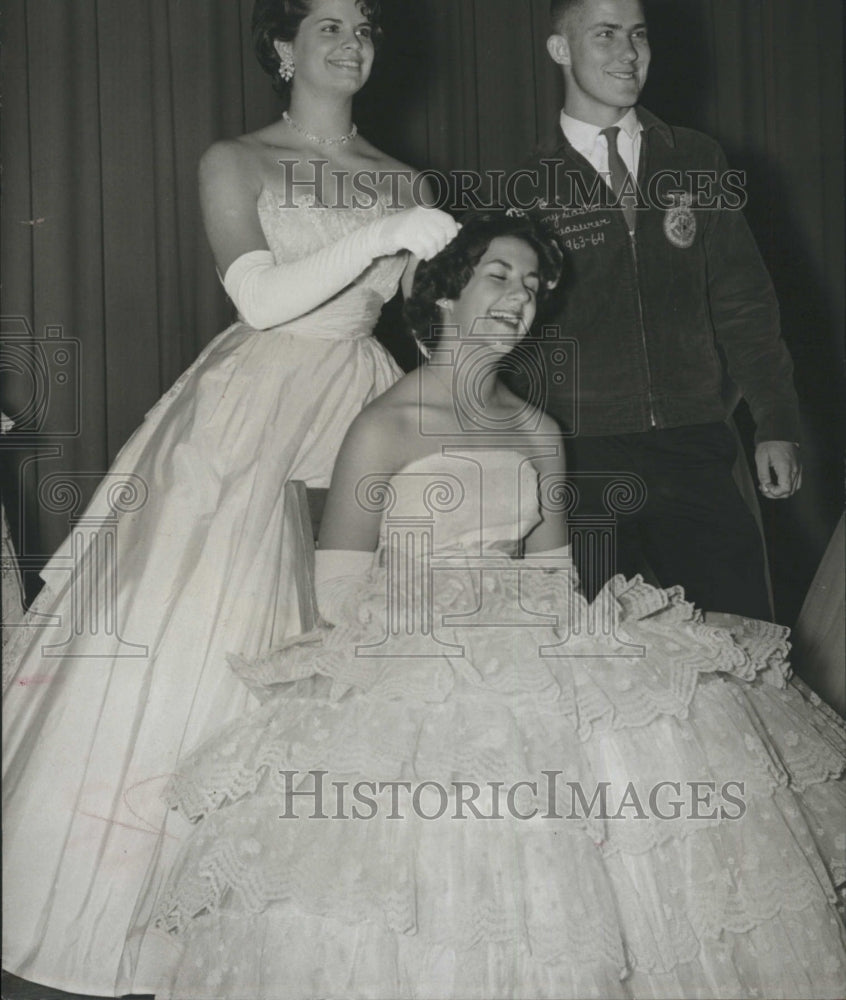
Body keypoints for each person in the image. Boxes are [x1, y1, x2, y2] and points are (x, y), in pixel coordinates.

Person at [148, 213, 845, 1000]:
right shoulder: (386, 425)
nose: (521, 297)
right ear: (445, 295)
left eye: (535, 285)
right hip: (414, 651)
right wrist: (446, 616)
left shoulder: (539, 431)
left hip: (530, 643)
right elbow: (340, 589)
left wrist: (544, 630)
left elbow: (552, 575)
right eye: (500, 277)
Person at [1, 1, 457, 994]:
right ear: (283, 48)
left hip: (363, 400)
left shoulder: (406, 177)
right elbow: (260, 297)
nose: (350, 42)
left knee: (357, 637)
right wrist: (389, 228)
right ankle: (140, 921)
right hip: (252, 404)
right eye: (327, 26)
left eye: (365, 28)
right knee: (204, 625)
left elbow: (419, 319)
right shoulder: (234, 159)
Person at [509, 0, 802, 619]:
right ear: (561, 50)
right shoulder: (524, 183)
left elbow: (744, 304)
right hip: (579, 459)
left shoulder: (697, 158)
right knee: (596, 667)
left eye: (638, 34)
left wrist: (775, 419)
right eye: (606, 34)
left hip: (694, 446)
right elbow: (505, 340)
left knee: (737, 648)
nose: (628, 52)